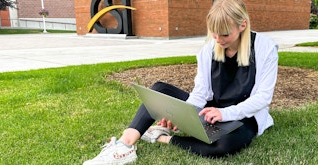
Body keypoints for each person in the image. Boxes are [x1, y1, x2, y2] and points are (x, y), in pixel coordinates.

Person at [83, 0, 278, 164]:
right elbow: (201, 92)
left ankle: (161, 137)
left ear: (242, 25)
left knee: (223, 147)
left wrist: (224, 113)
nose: (218, 39)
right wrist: (182, 115)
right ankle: (125, 145)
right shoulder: (208, 50)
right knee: (160, 89)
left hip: (244, 115)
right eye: (214, 33)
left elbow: (263, 98)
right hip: (211, 110)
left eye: (225, 34)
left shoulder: (264, 48)